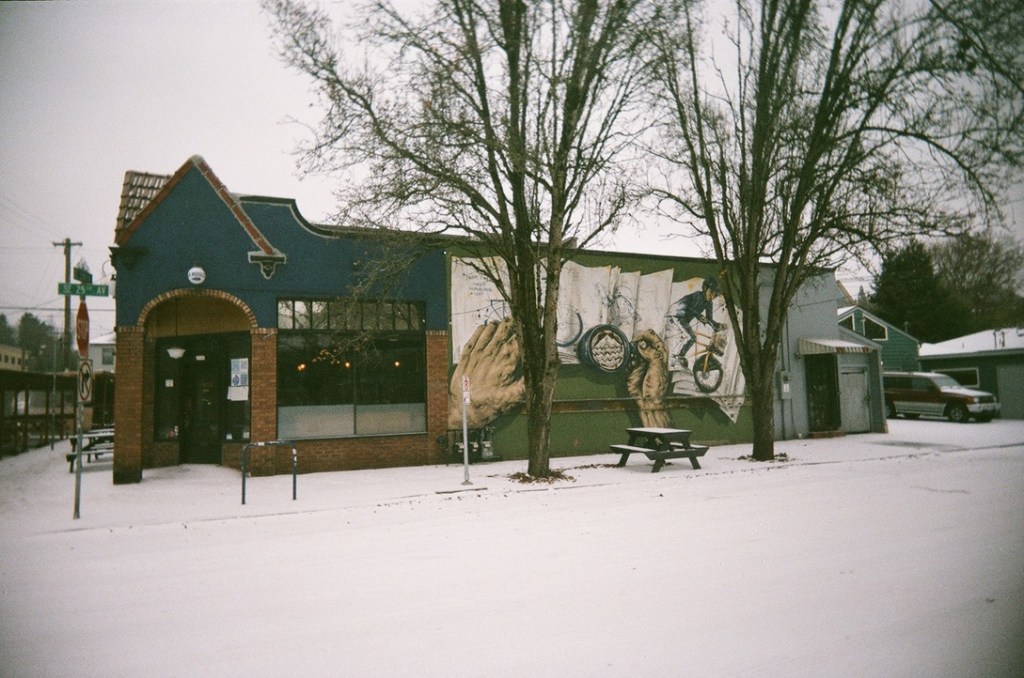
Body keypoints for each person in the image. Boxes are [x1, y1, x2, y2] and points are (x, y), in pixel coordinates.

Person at [670, 277, 722, 368]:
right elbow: (689, 308)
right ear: (705, 288)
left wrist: (718, 325)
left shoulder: (709, 303)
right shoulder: (698, 295)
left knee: (689, 337)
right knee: (691, 337)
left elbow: (709, 318)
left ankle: (679, 356)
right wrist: (699, 316)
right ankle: (678, 357)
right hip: (678, 314)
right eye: (711, 292)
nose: (712, 297)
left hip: (684, 318)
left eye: (715, 295)